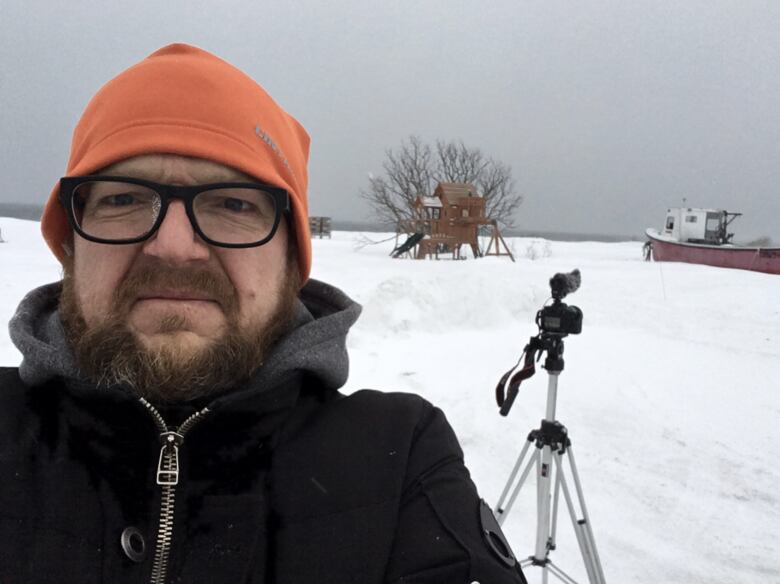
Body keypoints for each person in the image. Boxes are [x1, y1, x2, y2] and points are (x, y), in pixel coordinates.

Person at [1, 44, 527, 584]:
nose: (174, 246)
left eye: (233, 204)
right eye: (123, 200)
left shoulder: (396, 461)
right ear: (70, 245)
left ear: (291, 261)